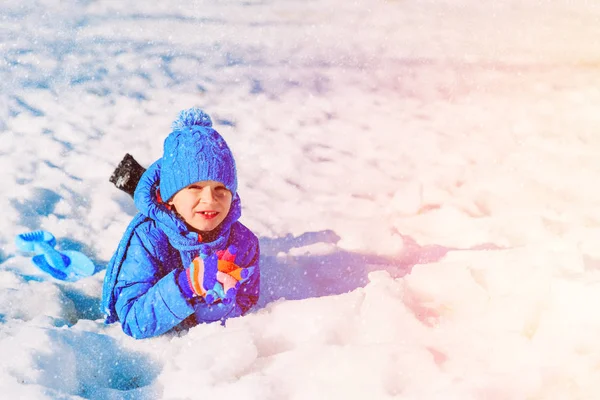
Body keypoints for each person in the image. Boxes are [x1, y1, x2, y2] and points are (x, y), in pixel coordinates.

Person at [101, 108, 260, 339]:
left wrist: (219, 309)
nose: (210, 199)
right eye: (194, 187)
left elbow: (247, 300)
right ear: (170, 198)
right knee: (170, 206)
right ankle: (144, 183)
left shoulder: (243, 242)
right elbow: (133, 321)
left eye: (221, 189)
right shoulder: (147, 239)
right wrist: (185, 286)